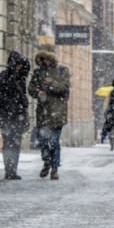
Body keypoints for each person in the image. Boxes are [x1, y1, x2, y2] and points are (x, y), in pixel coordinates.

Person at [28, 37, 71, 180]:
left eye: (48, 59)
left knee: (54, 141)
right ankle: (46, 162)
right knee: (44, 141)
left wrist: (52, 84)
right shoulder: (38, 72)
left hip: (58, 113)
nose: (45, 62)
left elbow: (64, 87)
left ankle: (54, 168)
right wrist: (37, 92)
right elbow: (31, 88)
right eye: (43, 59)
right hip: (43, 112)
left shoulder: (62, 71)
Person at [0, 51, 30, 180]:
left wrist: (22, 102)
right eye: (18, 64)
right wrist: (9, 101)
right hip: (5, 113)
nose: (19, 67)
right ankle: (8, 170)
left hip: (18, 113)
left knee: (16, 141)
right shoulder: (4, 76)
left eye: (21, 65)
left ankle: (13, 169)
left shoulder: (21, 78)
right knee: (9, 141)